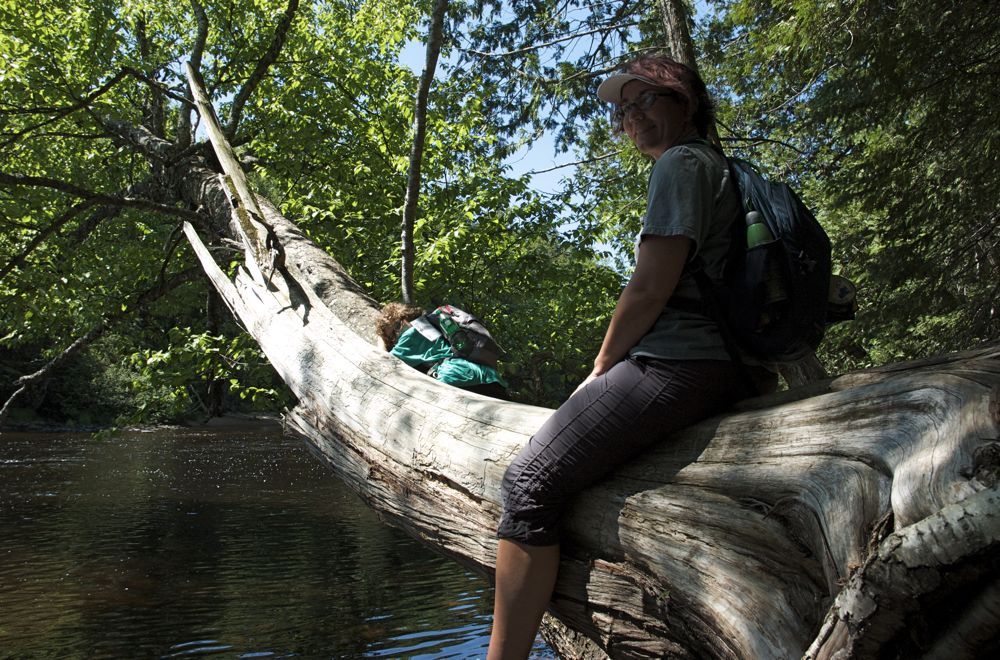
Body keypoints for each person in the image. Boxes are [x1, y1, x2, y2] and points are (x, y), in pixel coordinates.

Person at [487, 54, 772, 659]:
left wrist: (599, 369)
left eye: (647, 100)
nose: (632, 116)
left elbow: (648, 289)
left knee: (529, 481)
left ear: (686, 104)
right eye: (623, 108)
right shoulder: (718, 168)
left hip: (681, 363)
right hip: (725, 366)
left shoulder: (681, 164)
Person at [375, 301, 509, 400]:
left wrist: (381, 338)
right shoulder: (429, 324)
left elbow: (383, 362)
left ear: (405, 319)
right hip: (487, 377)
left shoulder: (412, 333)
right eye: (392, 335)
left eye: (397, 326)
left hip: (459, 377)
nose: (398, 333)